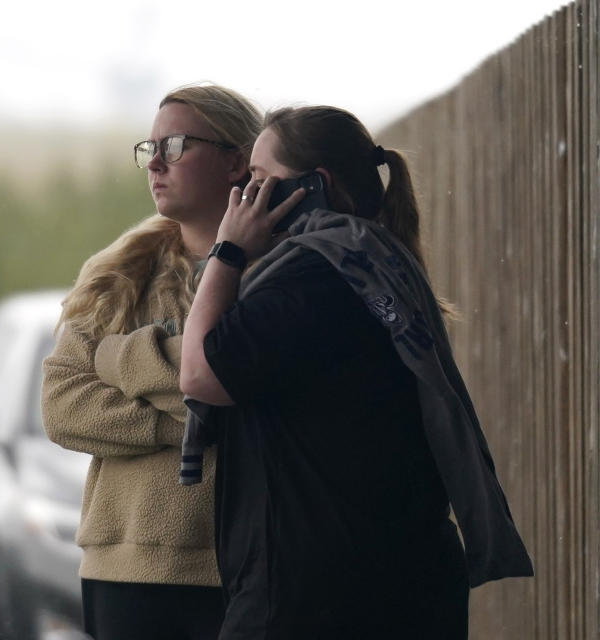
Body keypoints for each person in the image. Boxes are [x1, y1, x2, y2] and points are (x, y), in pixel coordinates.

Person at [180, 105, 533, 639]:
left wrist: (227, 251)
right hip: (393, 582)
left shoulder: (314, 274)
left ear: (313, 186)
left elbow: (200, 373)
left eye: (258, 181)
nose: (243, 199)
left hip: (317, 598)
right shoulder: (369, 259)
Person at [41, 84, 262, 640]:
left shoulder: (280, 273)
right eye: (150, 147)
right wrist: (195, 416)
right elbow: (64, 407)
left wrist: (125, 363)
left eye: (178, 145)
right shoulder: (117, 276)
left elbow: (259, 393)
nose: (155, 162)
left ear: (237, 160)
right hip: (126, 565)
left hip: (250, 564)